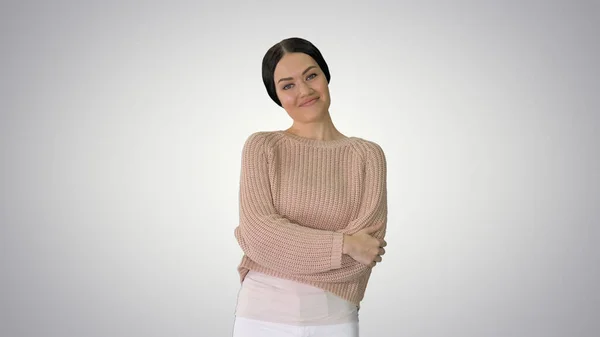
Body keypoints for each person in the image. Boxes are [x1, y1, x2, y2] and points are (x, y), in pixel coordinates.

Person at [232, 37, 388, 337]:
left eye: (311, 75)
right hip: (260, 319)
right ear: (276, 95)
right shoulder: (263, 147)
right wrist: (345, 244)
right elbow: (258, 235)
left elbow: (364, 256)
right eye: (288, 85)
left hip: (334, 320)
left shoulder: (367, 156)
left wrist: (284, 248)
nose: (304, 90)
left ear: (325, 76)